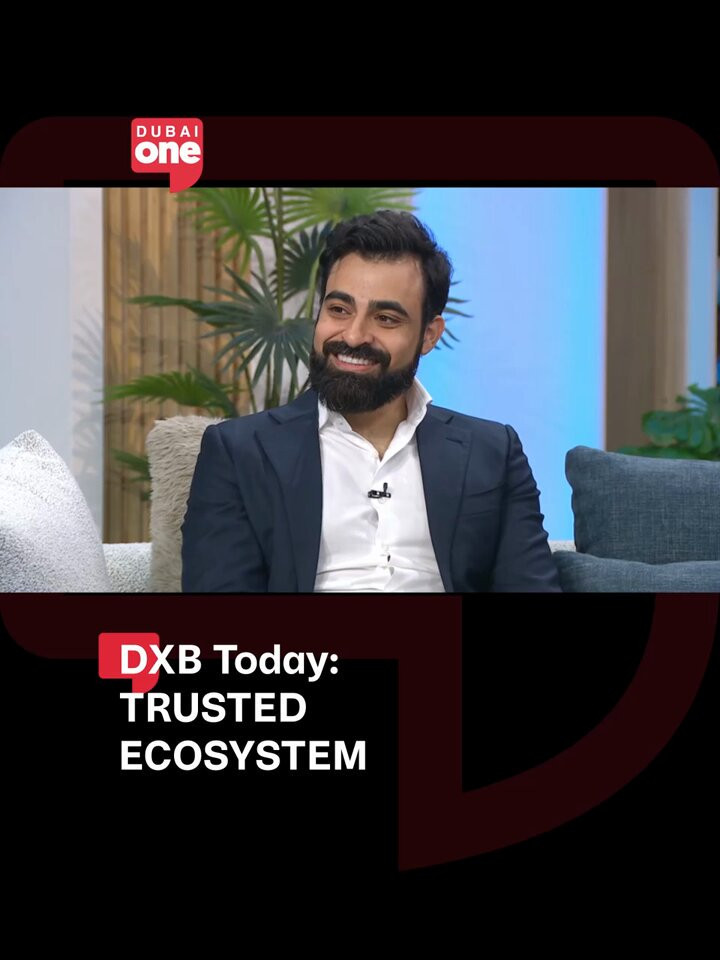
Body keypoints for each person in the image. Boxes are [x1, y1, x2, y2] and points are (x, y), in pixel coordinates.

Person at [181, 210, 561, 592]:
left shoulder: (492, 452)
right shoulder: (239, 452)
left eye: (386, 318)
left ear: (429, 335)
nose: (354, 335)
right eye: (339, 310)